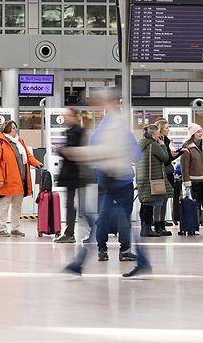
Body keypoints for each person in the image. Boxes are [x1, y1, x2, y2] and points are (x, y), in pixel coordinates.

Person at [61, 88, 150, 279]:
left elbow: (103, 151)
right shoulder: (112, 124)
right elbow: (131, 154)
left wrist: (75, 153)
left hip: (117, 181)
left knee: (109, 222)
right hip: (114, 181)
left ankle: (82, 262)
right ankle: (138, 260)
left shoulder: (113, 125)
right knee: (115, 222)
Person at [0, 120, 43, 238]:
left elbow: (28, 155)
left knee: (17, 206)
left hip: (20, 179)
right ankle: (2, 228)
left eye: (16, 127)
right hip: (6, 180)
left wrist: (36, 163)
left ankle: (15, 228)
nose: (15, 130)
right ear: (7, 129)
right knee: (4, 205)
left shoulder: (19, 141)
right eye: (13, 128)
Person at [54, 108, 92, 243]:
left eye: (68, 116)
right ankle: (70, 233)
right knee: (71, 204)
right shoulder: (71, 132)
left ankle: (91, 231)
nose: (66, 118)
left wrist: (63, 150)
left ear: (75, 117)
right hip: (72, 174)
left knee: (80, 207)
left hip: (77, 174)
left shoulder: (79, 132)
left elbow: (77, 152)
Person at [137, 124, 172, 238]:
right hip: (153, 178)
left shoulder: (141, 144)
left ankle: (144, 228)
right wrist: (163, 145)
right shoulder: (153, 145)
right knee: (150, 205)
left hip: (143, 178)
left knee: (145, 204)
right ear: (153, 134)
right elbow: (165, 157)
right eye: (157, 134)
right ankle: (147, 228)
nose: (159, 136)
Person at [155, 118, 187, 231]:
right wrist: (180, 152)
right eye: (167, 128)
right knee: (161, 199)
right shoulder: (160, 142)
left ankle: (161, 222)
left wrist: (181, 151)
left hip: (167, 172)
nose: (169, 130)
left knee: (164, 199)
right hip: (162, 173)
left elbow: (169, 156)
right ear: (161, 129)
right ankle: (159, 223)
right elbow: (166, 157)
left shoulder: (166, 141)